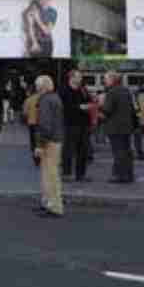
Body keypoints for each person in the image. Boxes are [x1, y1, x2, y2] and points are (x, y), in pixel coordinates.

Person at [33, 75, 64, 217]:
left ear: (43, 86)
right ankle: (47, 203)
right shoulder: (55, 98)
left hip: (49, 142)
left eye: (37, 85)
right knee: (49, 174)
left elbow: (45, 125)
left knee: (50, 175)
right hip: (55, 139)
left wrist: (39, 145)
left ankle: (54, 206)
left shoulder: (45, 100)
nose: (36, 88)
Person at [100, 72, 136, 184]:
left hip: (115, 127)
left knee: (118, 152)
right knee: (126, 151)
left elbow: (107, 110)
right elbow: (132, 108)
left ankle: (119, 175)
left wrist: (100, 106)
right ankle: (129, 174)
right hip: (127, 126)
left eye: (105, 79)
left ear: (112, 80)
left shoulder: (111, 92)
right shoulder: (126, 91)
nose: (104, 81)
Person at [59, 70, 91, 181]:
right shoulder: (64, 90)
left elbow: (89, 101)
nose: (80, 79)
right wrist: (79, 107)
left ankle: (80, 174)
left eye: (81, 77)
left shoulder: (83, 90)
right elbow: (63, 107)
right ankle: (67, 174)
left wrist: (89, 105)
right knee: (68, 149)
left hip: (84, 124)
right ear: (71, 78)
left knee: (83, 150)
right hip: (70, 124)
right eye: (78, 77)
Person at [23, 85, 42, 167]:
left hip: (32, 123)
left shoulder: (28, 100)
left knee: (34, 141)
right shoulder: (43, 98)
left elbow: (25, 113)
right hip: (43, 123)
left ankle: (36, 158)